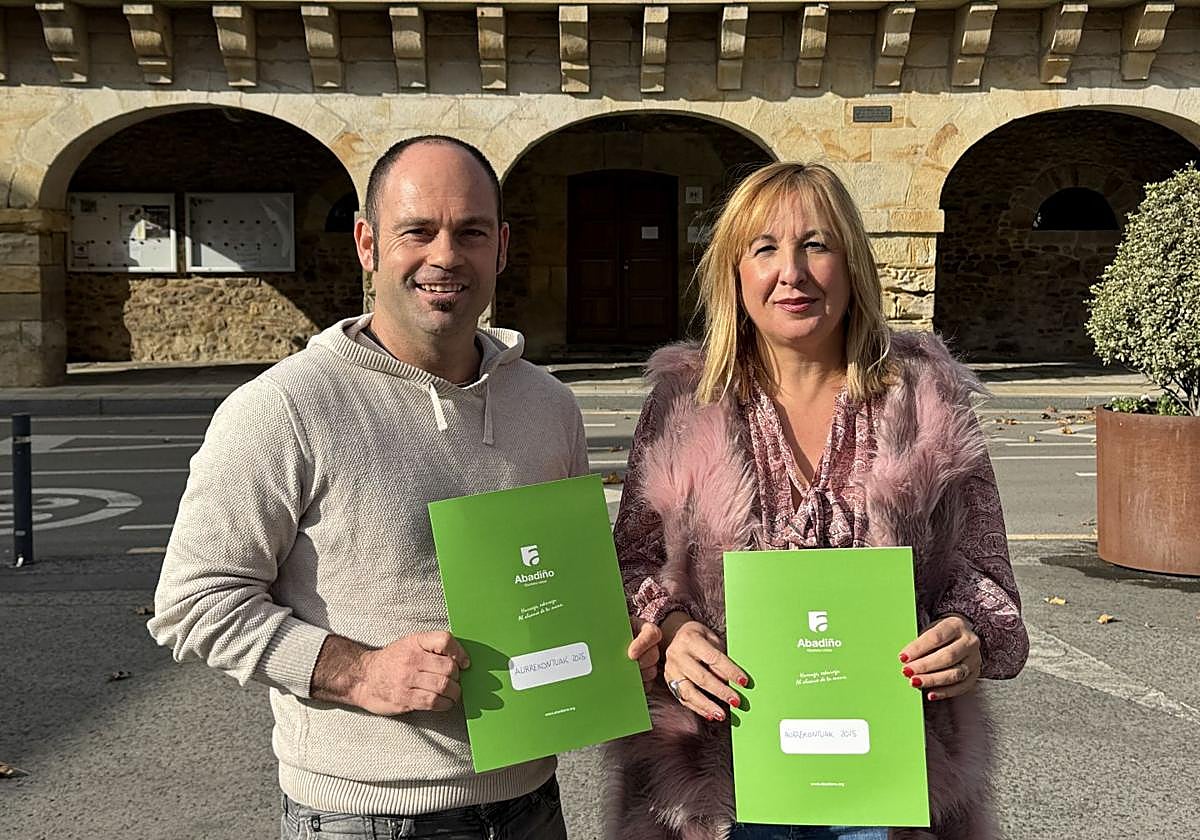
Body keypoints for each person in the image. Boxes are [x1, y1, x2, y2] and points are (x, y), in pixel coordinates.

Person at [148, 135, 660, 840]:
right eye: (417, 231)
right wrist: (359, 672)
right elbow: (193, 604)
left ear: (502, 247)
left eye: (471, 233)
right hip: (365, 816)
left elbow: (569, 580)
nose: (444, 256)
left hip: (533, 804)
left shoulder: (548, 404)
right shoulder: (285, 408)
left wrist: (618, 636)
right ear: (367, 242)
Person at [607, 162, 1029, 840]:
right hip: (717, 780)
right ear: (735, 272)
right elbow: (630, 566)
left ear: (852, 262)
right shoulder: (684, 404)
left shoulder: (925, 401)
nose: (792, 273)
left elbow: (986, 581)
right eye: (765, 248)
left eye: (817, 245)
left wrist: (966, 636)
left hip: (889, 784)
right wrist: (674, 629)